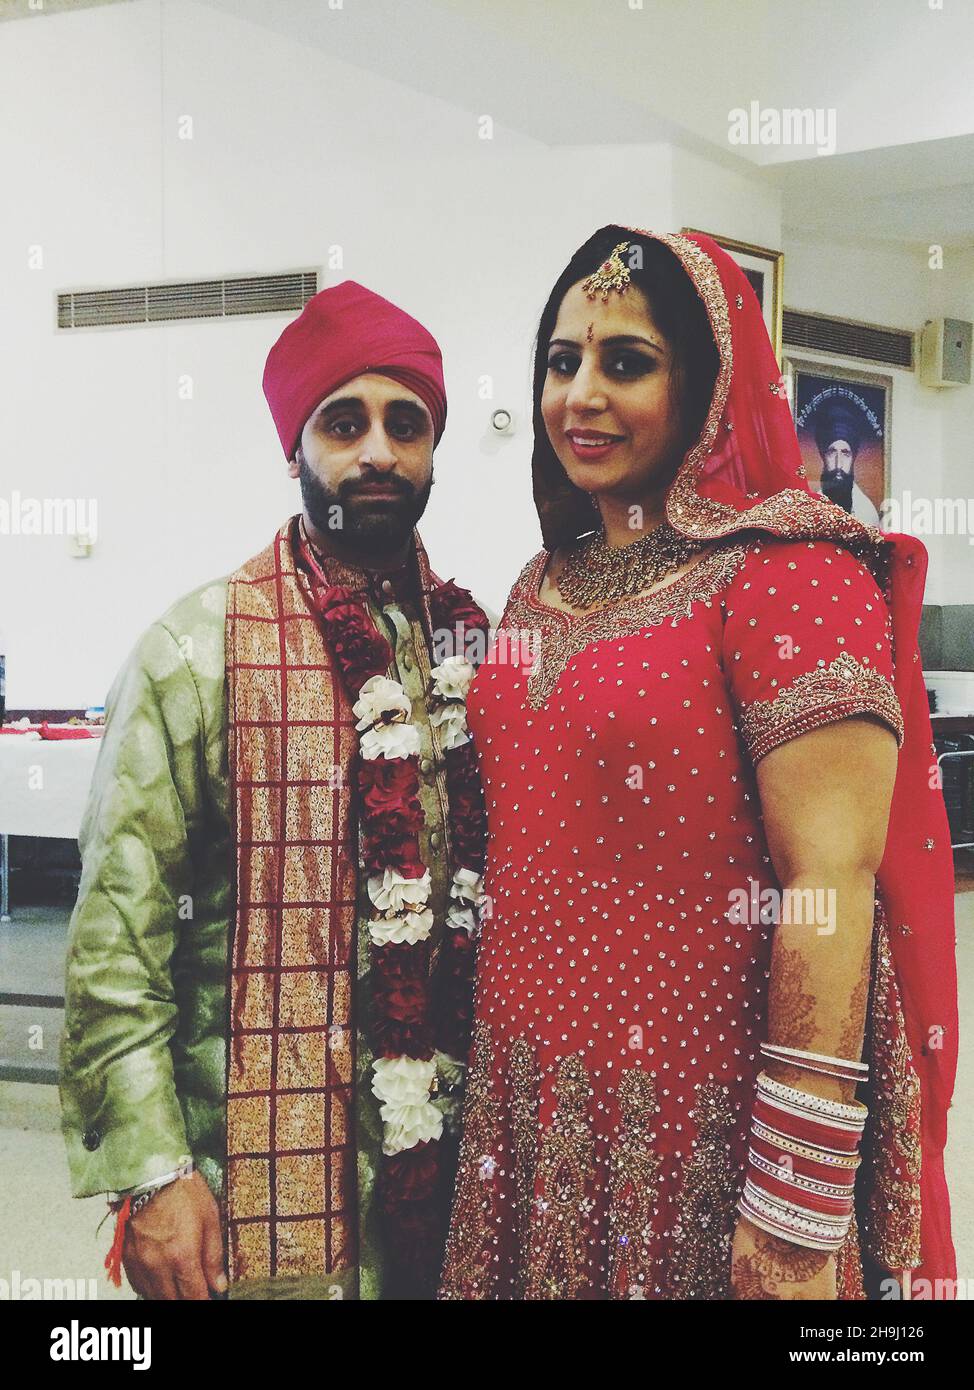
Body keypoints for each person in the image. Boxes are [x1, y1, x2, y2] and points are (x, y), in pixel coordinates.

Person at [439, 227, 957, 1301]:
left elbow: (829, 891)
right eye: (560, 360)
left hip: (696, 1132)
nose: (579, 393)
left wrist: (792, 1211)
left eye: (625, 362)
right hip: (527, 1101)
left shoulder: (786, 576)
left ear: (708, 387)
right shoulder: (544, 578)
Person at [60, 281, 489, 1301]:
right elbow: (115, 943)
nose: (376, 452)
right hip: (244, 1177)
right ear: (294, 446)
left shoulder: (476, 651)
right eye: (344, 422)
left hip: (447, 1175)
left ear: (434, 452)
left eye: (405, 424)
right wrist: (154, 1173)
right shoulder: (193, 648)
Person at [814, 402, 881, 525]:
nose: (838, 464)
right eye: (832, 452)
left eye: (845, 453)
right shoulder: (811, 508)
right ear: (823, 455)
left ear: (853, 457)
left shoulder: (866, 512)